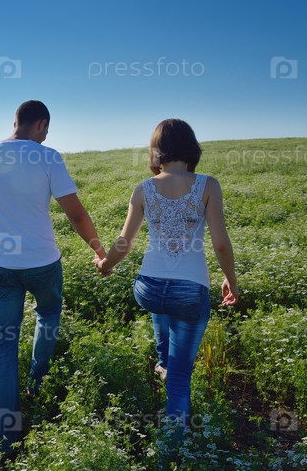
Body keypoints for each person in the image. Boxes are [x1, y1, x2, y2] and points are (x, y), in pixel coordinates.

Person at [0, 100, 107, 454]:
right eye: (47, 129)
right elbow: (76, 215)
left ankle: (6, 440)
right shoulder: (47, 157)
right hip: (41, 262)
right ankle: (38, 380)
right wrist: (99, 250)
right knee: (47, 314)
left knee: (2, 345)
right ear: (41, 124)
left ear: (15, 121)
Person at [94, 119, 239, 441]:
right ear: (191, 148)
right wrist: (231, 280)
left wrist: (104, 264)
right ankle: (175, 446)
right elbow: (220, 244)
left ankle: (163, 363)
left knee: (163, 303)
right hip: (189, 291)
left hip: (148, 288)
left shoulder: (144, 188)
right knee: (180, 378)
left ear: (156, 150)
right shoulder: (208, 185)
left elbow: (124, 242)